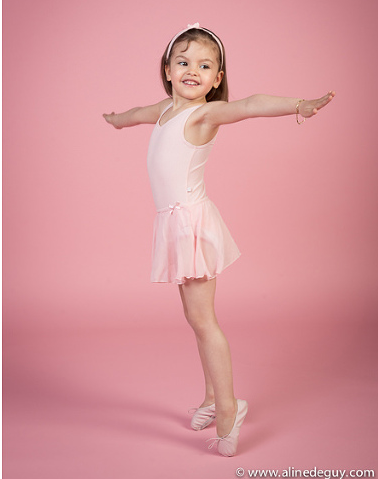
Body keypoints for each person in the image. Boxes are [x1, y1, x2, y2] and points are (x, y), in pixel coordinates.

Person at [103, 23, 334, 456]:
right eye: (184, 62)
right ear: (168, 69)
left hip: (191, 226)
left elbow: (250, 105)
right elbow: (136, 113)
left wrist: (299, 105)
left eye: (205, 65)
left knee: (203, 320)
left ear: (217, 79)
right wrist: (116, 120)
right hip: (174, 225)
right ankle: (211, 396)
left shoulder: (204, 113)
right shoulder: (165, 110)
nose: (194, 70)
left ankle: (229, 409)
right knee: (195, 316)